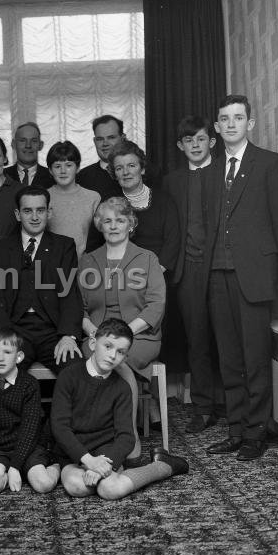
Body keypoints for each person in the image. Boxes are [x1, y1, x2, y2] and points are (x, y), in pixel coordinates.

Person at [203, 94, 278, 460]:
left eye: (238, 118)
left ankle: (255, 434)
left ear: (250, 124)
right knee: (229, 357)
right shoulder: (211, 170)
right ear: (216, 127)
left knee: (254, 357)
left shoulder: (271, 165)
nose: (230, 124)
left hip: (255, 279)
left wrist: (276, 282)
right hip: (217, 277)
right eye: (224, 119)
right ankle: (236, 428)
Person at [51, 318, 188, 500]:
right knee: (77, 486)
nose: (112, 355)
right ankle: (139, 469)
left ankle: (161, 466)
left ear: (125, 356)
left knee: (110, 489)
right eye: (108, 346)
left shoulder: (121, 387)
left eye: (120, 352)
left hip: (106, 451)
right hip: (75, 453)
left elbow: (126, 436)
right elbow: (60, 427)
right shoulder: (68, 377)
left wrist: (104, 466)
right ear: (93, 343)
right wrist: (89, 461)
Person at [79, 197, 166, 462]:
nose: (114, 226)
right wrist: (95, 333)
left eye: (120, 220)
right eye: (107, 221)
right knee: (107, 356)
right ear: (99, 226)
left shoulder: (147, 258)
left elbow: (156, 305)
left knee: (116, 359)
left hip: (140, 336)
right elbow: (78, 307)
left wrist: (121, 335)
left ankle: (128, 438)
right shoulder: (88, 260)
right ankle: (105, 437)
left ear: (131, 224)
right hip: (96, 334)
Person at [162, 116, 224, 433]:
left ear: (212, 141)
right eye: (189, 141)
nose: (195, 145)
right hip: (188, 269)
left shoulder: (225, 171)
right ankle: (202, 406)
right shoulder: (172, 181)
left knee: (227, 336)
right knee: (196, 338)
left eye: (201, 139)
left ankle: (229, 402)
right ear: (180, 146)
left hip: (222, 266)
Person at [0, 186, 83, 376]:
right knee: (4, 373)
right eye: (27, 211)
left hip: (53, 331)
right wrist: (4, 337)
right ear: (17, 214)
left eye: (40, 210)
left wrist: (68, 336)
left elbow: (69, 293)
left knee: (75, 371)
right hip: (15, 330)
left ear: (49, 212)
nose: (35, 217)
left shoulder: (64, 246)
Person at [0, 327, 60, 494]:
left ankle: (56, 466)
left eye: (7, 352)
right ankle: (11, 473)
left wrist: (15, 466)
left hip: (28, 446)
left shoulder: (29, 384)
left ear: (19, 357)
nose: (1, 358)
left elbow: (30, 429)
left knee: (43, 484)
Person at [109, 140, 180, 274]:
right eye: (119, 168)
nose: (126, 172)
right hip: (121, 277)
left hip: (159, 275)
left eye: (131, 165)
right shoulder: (110, 205)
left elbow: (173, 241)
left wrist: (154, 273)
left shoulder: (164, 201)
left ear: (142, 169)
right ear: (115, 173)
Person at [46, 140, 100, 258]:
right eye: (57, 166)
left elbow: (99, 238)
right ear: (50, 170)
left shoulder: (93, 198)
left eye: (69, 165)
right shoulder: (43, 197)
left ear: (78, 168)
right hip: (51, 265)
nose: (63, 171)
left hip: (86, 266)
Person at [76, 114, 124, 201]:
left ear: (122, 138)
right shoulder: (82, 177)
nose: (105, 143)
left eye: (111, 137)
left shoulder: (137, 173)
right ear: (94, 141)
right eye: (100, 139)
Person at [4, 122, 54, 188]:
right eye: (22, 140)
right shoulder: (2, 176)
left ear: (40, 145)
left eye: (34, 141)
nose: (28, 145)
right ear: (13, 144)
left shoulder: (52, 177)